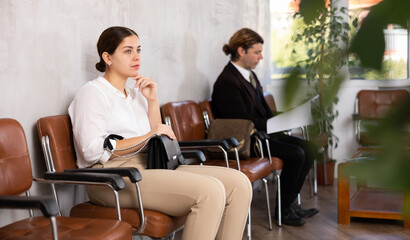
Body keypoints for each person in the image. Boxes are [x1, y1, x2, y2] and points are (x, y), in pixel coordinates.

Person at [68, 26, 252, 240]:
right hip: (112, 178)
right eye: (127, 51)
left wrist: (152, 100)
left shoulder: (135, 93)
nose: (136, 57)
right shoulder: (92, 93)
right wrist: (148, 135)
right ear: (107, 57)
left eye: (138, 50)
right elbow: (91, 151)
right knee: (209, 192)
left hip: (149, 166)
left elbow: (157, 137)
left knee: (239, 184)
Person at [211, 28, 319, 226]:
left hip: (262, 135)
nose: (261, 57)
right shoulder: (226, 82)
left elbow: (263, 113)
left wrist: (290, 116)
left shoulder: (248, 75)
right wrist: (280, 122)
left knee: (310, 149)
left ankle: (289, 202)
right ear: (241, 51)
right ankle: (283, 210)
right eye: (257, 52)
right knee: (296, 154)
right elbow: (242, 122)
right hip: (246, 141)